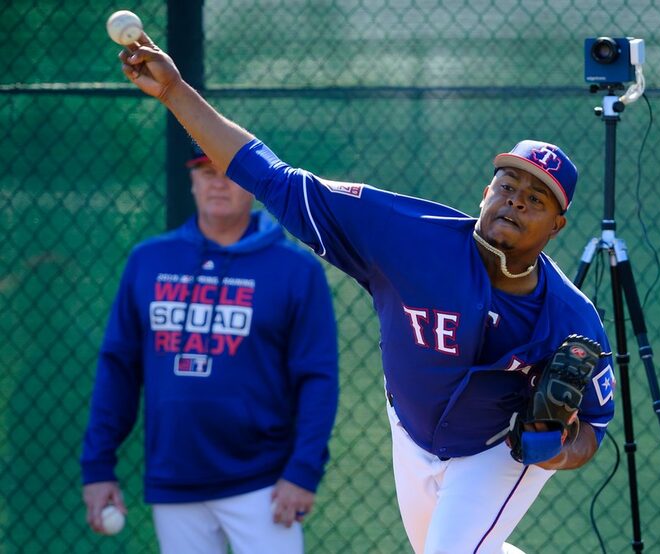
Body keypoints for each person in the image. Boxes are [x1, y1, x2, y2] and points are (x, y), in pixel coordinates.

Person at [116, 32, 616, 554]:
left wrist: (555, 448)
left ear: (555, 226)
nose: (514, 202)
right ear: (486, 192)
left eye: (534, 198)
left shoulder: (570, 318)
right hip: (411, 427)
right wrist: (175, 91)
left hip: (496, 449)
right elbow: (274, 178)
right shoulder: (407, 235)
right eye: (507, 186)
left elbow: (594, 429)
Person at [80, 143, 339, 554]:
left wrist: (303, 471)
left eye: (230, 173)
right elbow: (119, 371)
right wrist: (98, 468)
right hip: (175, 476)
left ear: (253, 185)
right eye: (206, 172)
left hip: (265, 482)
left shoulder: (296, 269)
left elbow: (318, 378)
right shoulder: (149, 260)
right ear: (192, 182)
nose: (218, 183)